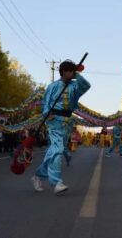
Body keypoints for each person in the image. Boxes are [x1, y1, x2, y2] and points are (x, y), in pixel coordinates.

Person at [32, 60, 90, 194]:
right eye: (71, 71)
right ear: (64, 72)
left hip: (67, 121)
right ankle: (57, 182)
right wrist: (47, 113)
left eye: (73, 71)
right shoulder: (53, 86)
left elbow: (86, 86)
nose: (72, 73)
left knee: (54, 150)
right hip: (54, 121)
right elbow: (45, 103)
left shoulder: (74, 86)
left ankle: (37, 176)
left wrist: (78, 76)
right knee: (58, 149)